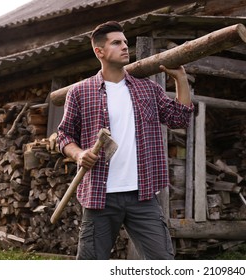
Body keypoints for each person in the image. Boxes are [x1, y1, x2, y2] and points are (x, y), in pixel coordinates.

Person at [57, 21, 194, 260]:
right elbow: (64, 136)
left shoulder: (146, 90)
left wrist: (181, 78)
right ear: (99, 51)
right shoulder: (80, 92)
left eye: (126, 42)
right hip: (99, 196)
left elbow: (179, 118)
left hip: (141, 196)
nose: (125, 47)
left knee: (162, 262)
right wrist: (79, 154)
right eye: (117, 42)